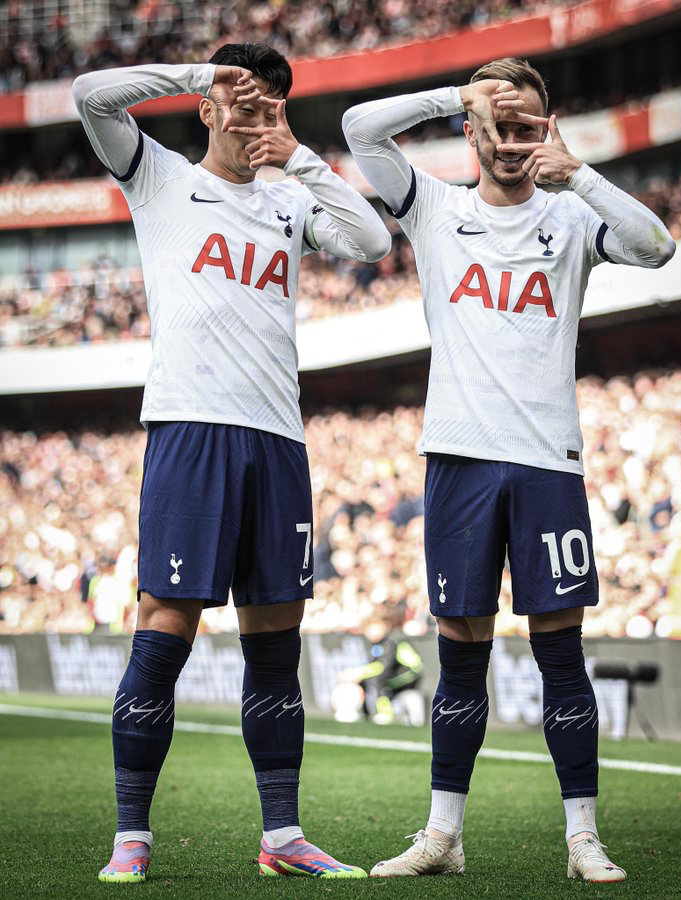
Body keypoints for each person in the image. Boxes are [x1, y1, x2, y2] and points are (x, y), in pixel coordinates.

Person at [342, 57, 675, 883]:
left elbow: (658, 248)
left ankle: (582, 840)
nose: (513, 138)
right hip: (458, 458)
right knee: (461, 654)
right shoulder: (435, 208)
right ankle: (443, 837)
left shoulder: (570, 218)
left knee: (561, 656)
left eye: (528, 123)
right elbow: (358, 129)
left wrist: (583, 174)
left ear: (547, 129)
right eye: (498, 122)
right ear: (471, 130)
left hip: (546, 465)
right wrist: (456, 95)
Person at [73, 41, 390, 883]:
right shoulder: (161, 177)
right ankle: (131, 834)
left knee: (275, 645)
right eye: (240, 100)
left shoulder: (289, 200)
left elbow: (371, 242)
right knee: (165, 631)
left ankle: (282, 837)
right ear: (209, 107)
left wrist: (306, 159)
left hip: (278, 439)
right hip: (191, 431)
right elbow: (91, 95)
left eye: (269, 103)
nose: (253, 115)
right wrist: (194, 77)